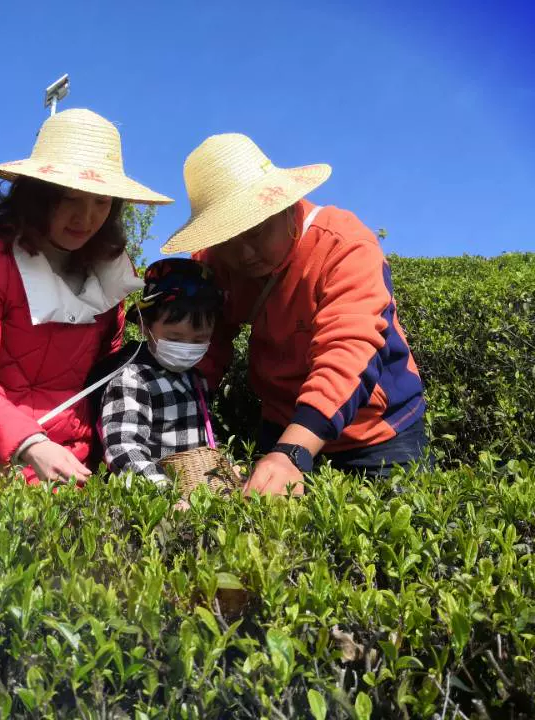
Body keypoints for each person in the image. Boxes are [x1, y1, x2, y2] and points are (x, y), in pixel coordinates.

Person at [161, 133, 427, 496]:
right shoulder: (216, 262)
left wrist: (291, 453)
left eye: (256, 231)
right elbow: (209, 344)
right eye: (227, 238)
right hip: (281, 427)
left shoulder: (345, 245)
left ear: (285, 205)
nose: (244, 252)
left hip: (376, 435)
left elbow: (349, 352)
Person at [0, 108, 172, 485]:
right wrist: (30, 442)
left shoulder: (110, 269)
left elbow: (104, 373)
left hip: (72, 467)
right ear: (38, 195)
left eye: (101, 201)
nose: (86, 217)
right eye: (70, 198)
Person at [88, 258, 225, 487]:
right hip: (153, 498)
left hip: (196, 495)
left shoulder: (196, 379)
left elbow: (207, 438)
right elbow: (123, 449)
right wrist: (163, 491)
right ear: (146, 326)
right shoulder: (133, 379)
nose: (187, 347)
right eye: (174, 338)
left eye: (199, 340)